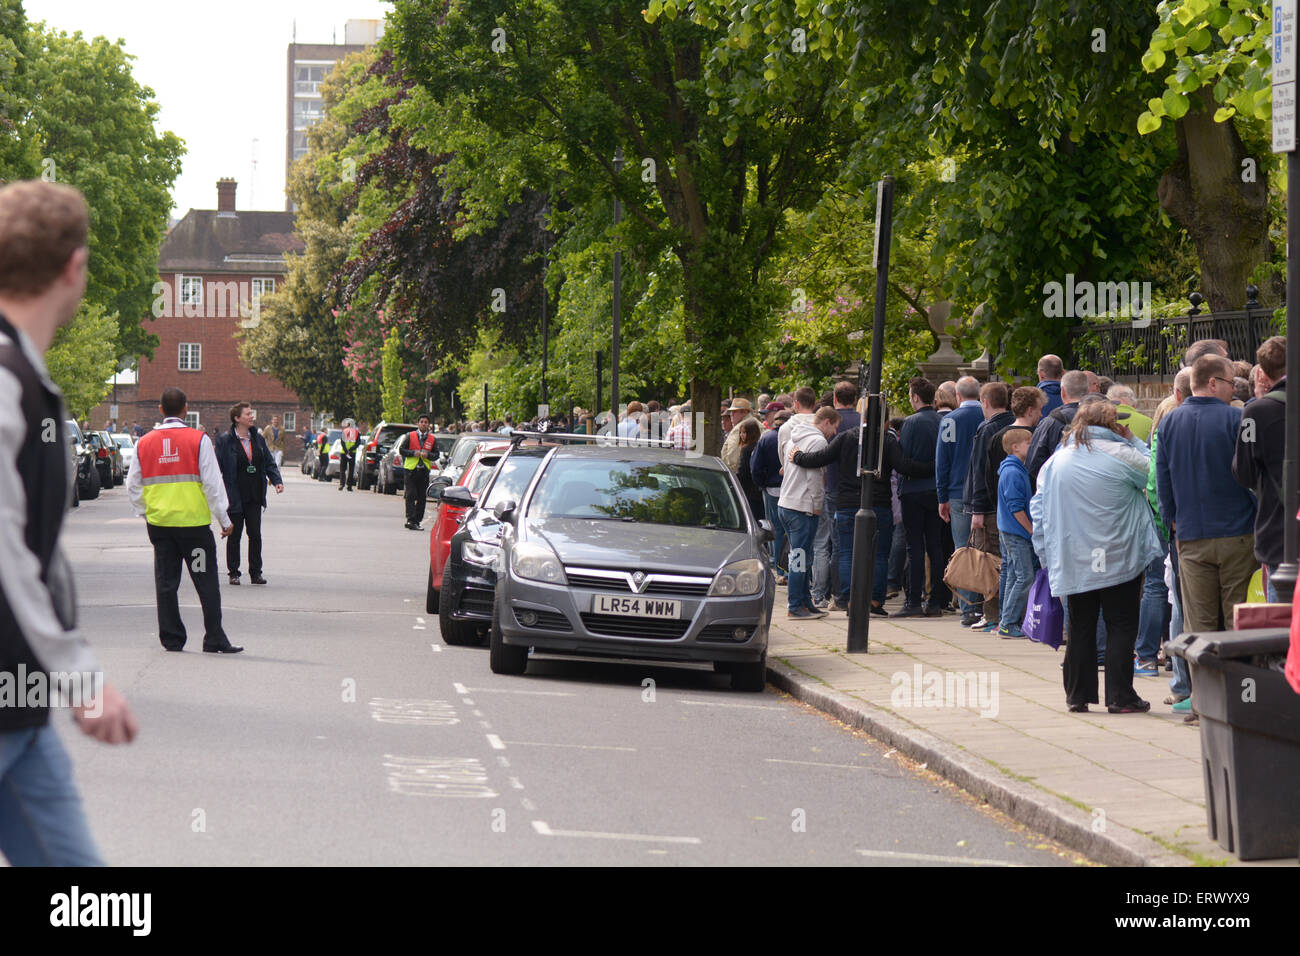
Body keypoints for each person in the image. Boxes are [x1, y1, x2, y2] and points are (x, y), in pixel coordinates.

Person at [0, 179, 139, 866]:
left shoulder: (28, 375)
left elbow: (36, 545)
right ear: (73, 267)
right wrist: (80, 674)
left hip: (18, 708)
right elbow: (6, 552)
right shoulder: (5, 379)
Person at [1032, 400, 1161, 713]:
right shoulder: (1123, 454)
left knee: (1081, 625)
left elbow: (1039, 509)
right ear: (1112, 424)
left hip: (1074, 556)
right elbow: (1154, 474)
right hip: (1119, 555)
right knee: (1121, 624)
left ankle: (1077, 694)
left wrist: (1045, 554)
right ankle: (1120, 696)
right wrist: (1132, 439)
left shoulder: (1057, 460)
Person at [128, 388, 242, 653]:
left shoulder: (143, 443)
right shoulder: (198, 440)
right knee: (205, 580)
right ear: (185, 409)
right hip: (193, 529)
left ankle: (172, 638)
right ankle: (214, 636)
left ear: (160, 409)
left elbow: (132, 485)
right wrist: (224, 519)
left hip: (161, 527)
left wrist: (147, 512)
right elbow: (213, 484)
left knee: (166, 582)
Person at [790, 403, 932, 615]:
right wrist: (932, 467)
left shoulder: (846, 437)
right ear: (885, 421)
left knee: (847, 553)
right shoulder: (887, 441)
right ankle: (875, 601)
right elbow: (904, 466)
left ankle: (850, 600)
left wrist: (798, 457)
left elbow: (822, 458)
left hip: (847, 503)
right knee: (880, 554)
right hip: (879, 504)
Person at [1157, 354, 1257, 643]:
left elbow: (1163, 480)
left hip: (1191, 534)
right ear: (1212, 383)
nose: (1234, 389)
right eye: (1229, 383)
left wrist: (1172, 523)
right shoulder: (1239, 419)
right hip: (1237, 532)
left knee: (1198, 625)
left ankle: (1202, 688)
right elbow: (1252, 475)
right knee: (1237, 621)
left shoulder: (1169, 422)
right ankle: (1239, 687)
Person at [1233, 336, 1287, 602]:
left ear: (1263, 374)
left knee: (1283, 628)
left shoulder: (1253, 415)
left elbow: (1244, 471)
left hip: (1279, 532)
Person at [779, 406, 840, 619]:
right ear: (826, 422)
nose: (834, 433)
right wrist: (817, 504)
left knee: (803, 556)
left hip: (786, 503)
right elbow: (814, 478)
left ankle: (805, 602)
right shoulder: (819, 442)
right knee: (801, 558)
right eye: (834, 427)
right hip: (802, 507)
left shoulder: (793, 437)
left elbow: (784, 466)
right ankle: (795, 605)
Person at [935, 376, 987, 625]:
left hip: (957, 492)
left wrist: (941, 495)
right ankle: (988, 606)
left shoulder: (950, 421)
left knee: (963, 550)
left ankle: (968, 608)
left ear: (957, 396)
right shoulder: (987, 417)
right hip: (985, 492)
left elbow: (942, 461)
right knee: (987, 550)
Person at [215, 402, 284, 586]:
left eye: (251, 413)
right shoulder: (225, 440)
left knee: (255, 534)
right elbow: (216, 468)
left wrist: (277, 480)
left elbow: (269, 462)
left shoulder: (258, 439)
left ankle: (256, 572)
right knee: (234, 535)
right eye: (247, 414)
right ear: (237, 418)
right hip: (234, 495)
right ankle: (234, 572)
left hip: (254, 494)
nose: (251, 416)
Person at [964, 381, 1014, 630]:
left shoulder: (987, 429)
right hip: (1008, 504)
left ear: (985, 402)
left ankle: (992, 614)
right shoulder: (1014, 425)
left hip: (989, 507)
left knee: (989, 562)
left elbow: (980, 473)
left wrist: (977, 509)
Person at [896, 377, 948, 617]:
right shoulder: (943, 421)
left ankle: (914, 600)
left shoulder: (911, 423)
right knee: (935, 545)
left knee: (914, 546)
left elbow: (904, 460)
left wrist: (922, 468)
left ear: (915, 397)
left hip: (914, 491)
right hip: (936, 491)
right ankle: (936, 601)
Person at [995, 428, 1037, 638]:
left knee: (1013, 574)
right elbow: (1015, 507)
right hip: (1016, 533)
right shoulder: (1013, 472)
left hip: (1009, 531)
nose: (1032, 446)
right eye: (1028, 443)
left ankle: (1006, 619)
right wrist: (1030, 529)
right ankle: (1007, 623)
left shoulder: (1013, 469)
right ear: (1015, 447)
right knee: (1025, 577)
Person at [1026, 369, 1090, 486]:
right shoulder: (1100, 419)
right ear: (1088, 391)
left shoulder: (1050, 422)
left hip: (1058, 488)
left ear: (1063, 392)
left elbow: (1033, 464)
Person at [749, 408, 792, 580]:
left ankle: (779, 568)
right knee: (791, 531)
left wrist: (762, 484)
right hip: (791, 488)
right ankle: (789, 570)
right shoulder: (793, 438)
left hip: (772, 488)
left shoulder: (766, 438)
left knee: (775, 529)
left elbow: (755, 467)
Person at [393, 414, 437, 530]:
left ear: (428, 425)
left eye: (426, 422)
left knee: (422, 497)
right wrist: (413, 453)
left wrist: (428, 455)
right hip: (411, 470)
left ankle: (417, 520)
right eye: (421, 421)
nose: (423, 424)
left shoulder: (432, 439)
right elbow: (401, 450)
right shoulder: (410, 436)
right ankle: (410, 519)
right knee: (411, 494)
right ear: (418, 424)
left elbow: (436, 455)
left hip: (423, 471)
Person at [735, 418, 766, 519]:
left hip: (748, 490)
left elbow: (743, 471)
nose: (741, 435)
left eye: (744, 432)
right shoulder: (759, 446)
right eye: (741, 432)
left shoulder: (746, 449)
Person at [721, 398, 760, 473]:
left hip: (741, 475)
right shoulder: (758, 424)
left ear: (744, 412)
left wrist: (733, 476)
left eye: (734, 412)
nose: (731, 415)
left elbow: (733, 458)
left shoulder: (739, 428)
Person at [338, 417, 360, 491]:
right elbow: (358, 443)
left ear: (348, 424)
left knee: (342, 469)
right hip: (352, 453)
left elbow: (342, 442)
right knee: (351, 470)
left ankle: (341, 484)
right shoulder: (357, 432)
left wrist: (346, 450)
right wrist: (351, 450)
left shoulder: (344, 431)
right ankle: (349, 486)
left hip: (344, 453)